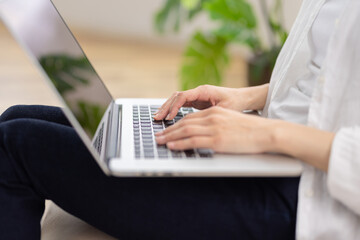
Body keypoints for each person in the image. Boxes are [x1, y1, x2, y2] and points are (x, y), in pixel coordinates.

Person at [0, 0, 359, 240]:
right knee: (17, 117)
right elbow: (327, 79)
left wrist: (268, 133)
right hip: (272, 159)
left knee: (14, 145)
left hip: (305, 201)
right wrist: (251, 97)